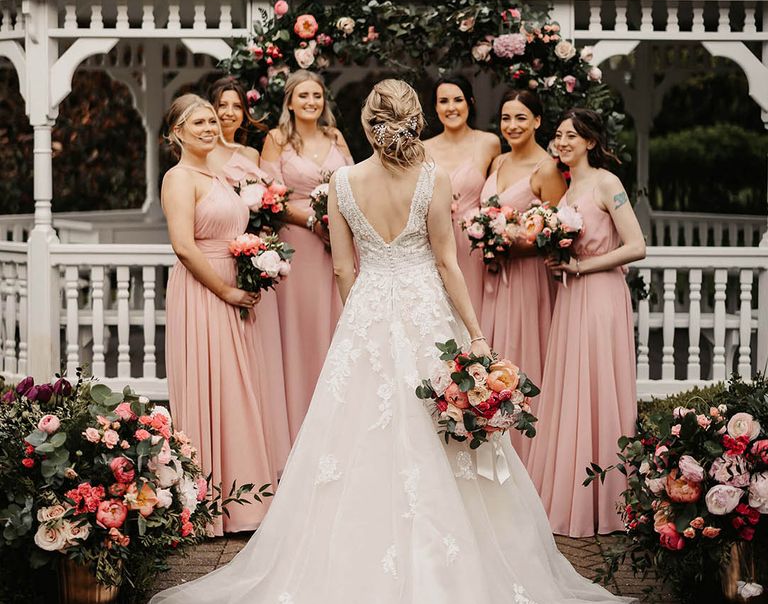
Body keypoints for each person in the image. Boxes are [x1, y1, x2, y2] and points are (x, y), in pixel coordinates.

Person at [151, 82, 633, 604]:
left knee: (356, 428)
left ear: (366, 123)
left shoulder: (342, 182)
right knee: (442, 428)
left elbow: (341, 267)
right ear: (414, 118)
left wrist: (357, 318)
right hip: (426, 310)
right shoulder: (433, 178)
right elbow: (447, 263)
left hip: (368, 311)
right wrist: (474, 333)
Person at [161, 93, 277, 535]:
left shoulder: (219, 173)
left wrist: (254, 263)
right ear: (178, 133)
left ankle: (245, 500)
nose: (210, 128)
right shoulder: (179, 178)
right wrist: (227, 288)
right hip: (203, 290)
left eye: (212, 121)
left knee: (238, 388)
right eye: (199, 123)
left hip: (232, 286)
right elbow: (184, 246)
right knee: (213, 383)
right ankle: (209, 508)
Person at [527, 108, 645, 537]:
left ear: (591, 142)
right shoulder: (568, 186)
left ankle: (608, 504)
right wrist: (559, 259)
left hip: (599, 295)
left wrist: (583, 268)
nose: (562, 142)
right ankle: (574, 497)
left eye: (571, 136)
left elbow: (636, 246)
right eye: (558, 135)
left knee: (598, 384)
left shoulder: (606, 183)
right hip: (572, 295)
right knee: (574, 386)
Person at [260, 70, 353, 442]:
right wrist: (314, 219)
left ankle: (337, 424)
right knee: (299, 329)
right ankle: (298, 426)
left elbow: (353, 185)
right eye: (303, 96)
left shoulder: (335, 137)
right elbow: (270, 199)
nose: (311, 102)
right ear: (290, 102)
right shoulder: (276, 139)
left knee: (333, 326)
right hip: (296, 245)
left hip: (336, 245)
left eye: (317, 95)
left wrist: (335, 222)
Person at [208, 76, 291, 476]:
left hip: (250, 257)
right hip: (218, 256)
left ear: (244, 113)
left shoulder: (250, 153)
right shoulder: (202, 154)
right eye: (221, 105)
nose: (227, 113)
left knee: (256, 355)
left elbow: (267, 206)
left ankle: (261, 457)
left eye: (235, 106)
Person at [479, 89, 566, 466]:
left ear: (537, 122)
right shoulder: (497, 162)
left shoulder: (547, 168)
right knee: (495, 358)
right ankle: (495, 450)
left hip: (529, 278)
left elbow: (558, 234)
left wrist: (512, 244)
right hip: (496, 278)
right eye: (505, 118)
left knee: (526, 356)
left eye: (519, 118)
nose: (511, 126)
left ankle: (532, 458)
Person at [423, 76, 500, 314]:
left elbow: (498, 196)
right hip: (435, 241)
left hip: (474, 244)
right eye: (443, 101)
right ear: (435, 107)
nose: (451, 107)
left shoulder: (489, 143)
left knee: (476, 309)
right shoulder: (422, 148)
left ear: (470, 102)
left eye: (458, 100)